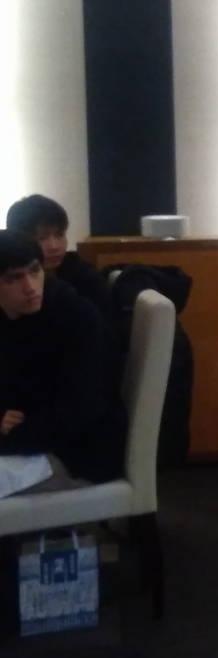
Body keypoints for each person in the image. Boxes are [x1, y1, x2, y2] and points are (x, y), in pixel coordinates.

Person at [0, 231, 126, 488]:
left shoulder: (76, 316)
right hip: (27, 441)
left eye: (34, 271)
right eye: (14, 278)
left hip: (75, 454)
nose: (30, 287)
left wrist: (7, 436)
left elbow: (82, 410)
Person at [6, 194, 110, 315]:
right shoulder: (7, 277)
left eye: (59, 235)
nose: (54, 246)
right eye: (42, 238)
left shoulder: (86, 278)